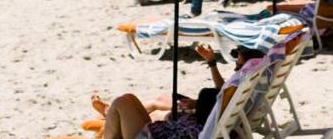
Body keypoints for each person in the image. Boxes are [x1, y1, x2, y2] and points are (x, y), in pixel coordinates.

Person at [91, 43, 261, 138]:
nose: (234, 71)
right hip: (185, 128)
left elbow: (221, 92)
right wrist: (211, 63)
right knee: (136, 102)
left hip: (176, 135)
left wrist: (198, 104)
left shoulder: (235, 92)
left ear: (247, 69)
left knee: (124, 101)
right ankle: (108, 115)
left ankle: (108, 114)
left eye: (238, 67)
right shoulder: (245, 90)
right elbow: (223, 91)